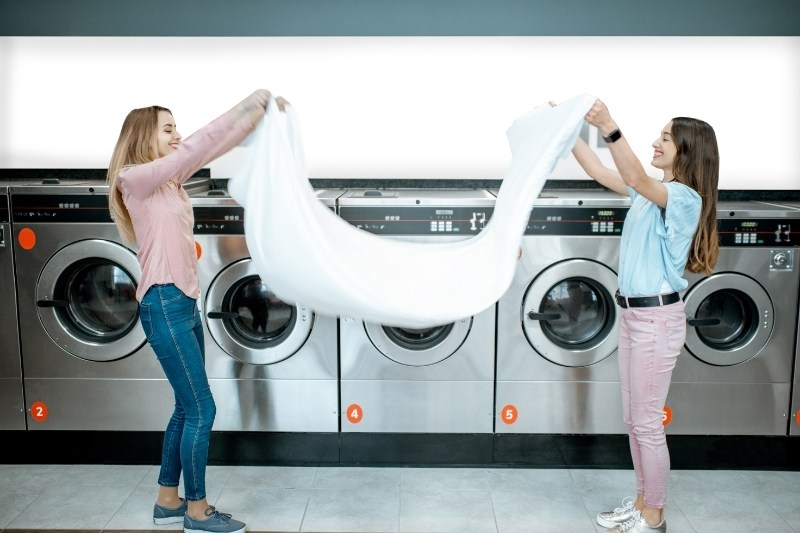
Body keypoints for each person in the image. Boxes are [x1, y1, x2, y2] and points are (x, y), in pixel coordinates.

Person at [107, 89, 287, 533]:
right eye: (168, 128)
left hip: (183, 303)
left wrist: (255, 121)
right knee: (202, 409)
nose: (178, 135)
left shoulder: (167, 181)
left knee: (186, 408)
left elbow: (210, 146)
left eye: (176, 127)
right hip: (163, 304)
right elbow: (196, 146)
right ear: (143, 135)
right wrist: (245, 105)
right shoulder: (136, 178)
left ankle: (168, 501)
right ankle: (197, 510)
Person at [569, 99, 719, 532]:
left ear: (686, 151)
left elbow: (634, 174)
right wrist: (567, 133)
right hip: (635, 320)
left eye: (666, 137)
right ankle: (641, 500)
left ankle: (653, 514)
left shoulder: (685, 199)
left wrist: (610, 127)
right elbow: (601, 173)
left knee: (647, 423)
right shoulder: (648, 193)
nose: (656, 142)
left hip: (657, 322)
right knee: (635, 420)